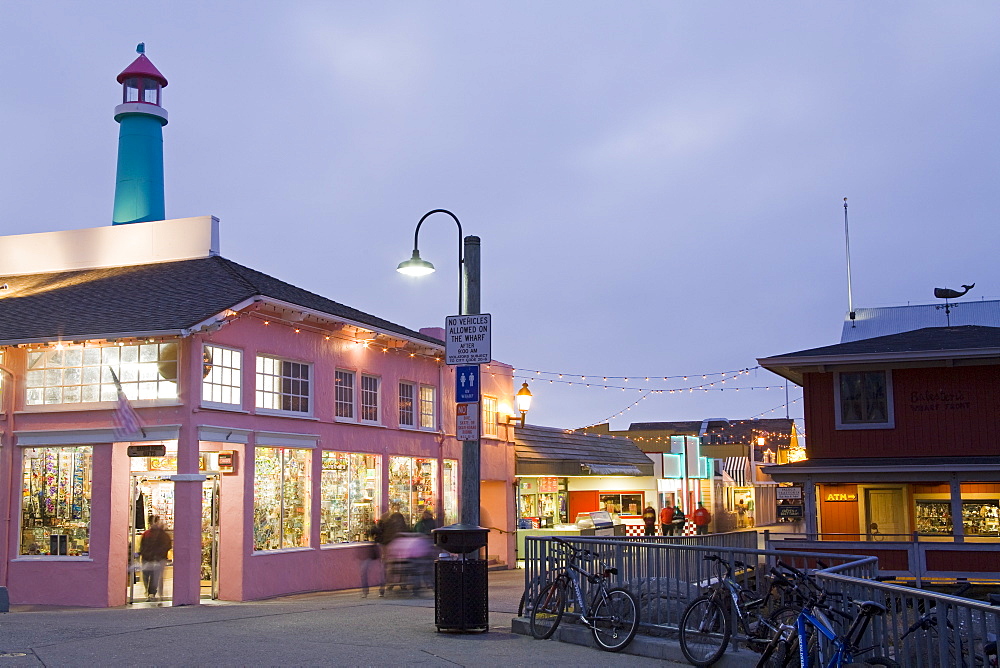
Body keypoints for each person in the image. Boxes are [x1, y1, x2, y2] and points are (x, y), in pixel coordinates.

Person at [139, 515, 171, 601]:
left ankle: (151, 593)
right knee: (150, 576)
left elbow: (166, 546)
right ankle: (151, 593)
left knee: (153, 576)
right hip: (151, 558)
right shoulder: (149, 534)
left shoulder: (159, 534)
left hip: (154, 558)